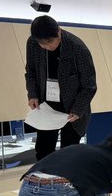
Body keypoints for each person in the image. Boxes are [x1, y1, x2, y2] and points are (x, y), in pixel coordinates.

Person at [25, 15, 97, 161]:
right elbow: (30, 72)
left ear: (59, 32)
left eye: (50, 42)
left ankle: (67, 183)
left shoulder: (77, 48)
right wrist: (32, 94)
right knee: (43, 152)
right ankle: (44, 183)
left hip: (72, 110)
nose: (46, 46)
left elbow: (89, 85)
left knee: (69, 155)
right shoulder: (33, 43)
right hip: (47, 107)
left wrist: (78, 109)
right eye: (42, 43)